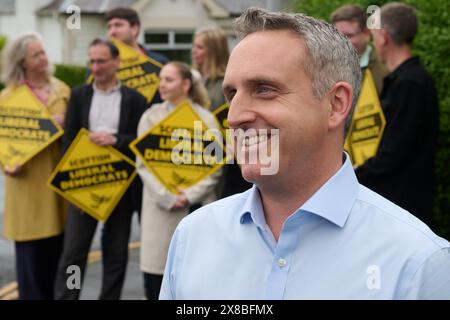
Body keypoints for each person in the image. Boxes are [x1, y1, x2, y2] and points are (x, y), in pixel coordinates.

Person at [159, 8, 450, 299]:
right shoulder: (192, 237)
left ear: (336, 104)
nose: (235, 116)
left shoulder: (417, 262)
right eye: (231, 94)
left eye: (263, 89)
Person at [53, 39, 148, 300]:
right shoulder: (79, 95)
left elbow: (142, 141)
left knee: (116, 254)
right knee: (73, 254)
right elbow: (69, 140)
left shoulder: (136, 99)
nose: (96, 67)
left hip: (121, 187)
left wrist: (116, 140)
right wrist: (74, 189)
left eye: (101, 61)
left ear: (117, 62)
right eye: (92, 61)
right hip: (83, 185)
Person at [136, 61, 221, 300]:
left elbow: (215, 167)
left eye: (169, 79)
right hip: (160, 209)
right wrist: (167, 196)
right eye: (161, 79)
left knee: (195, 281)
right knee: (157, 279)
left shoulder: (206, 119)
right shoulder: (150, 117)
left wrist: (189, 195)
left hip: (197, 207)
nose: (162, 84)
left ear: (186, 84)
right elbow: (143, 164)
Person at [355, 3, 439, 226]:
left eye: (373, 36)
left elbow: (393, 152)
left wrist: (354, 174)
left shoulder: (409, 84)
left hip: (402, 204)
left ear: (383, 37)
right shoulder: (408, 80)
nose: (374, 42)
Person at [0, 32, 69, 300]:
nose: (44, 58)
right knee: (30, 272)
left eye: (43, 52)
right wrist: (6, 164)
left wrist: (67, 125)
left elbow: (78, 134)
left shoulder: (62, 90)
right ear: (22, 62)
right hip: (25, 187)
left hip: (56, 188)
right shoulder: (8, 98)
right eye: (36, 55)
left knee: (57, 265)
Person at [105, 6, 168, 218]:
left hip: (153, 153)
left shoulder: (159, 64)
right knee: (115, 227)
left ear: (135, 29)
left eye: (118, 25)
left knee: (150, 220)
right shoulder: (101, 67)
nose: (112, 31)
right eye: (109, 26)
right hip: (115, 154)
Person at [192, 27, 252, 198]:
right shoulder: (198, 82)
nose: (194, 51)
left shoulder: (225, 85)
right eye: (194, 46)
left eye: (200, 47)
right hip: (199, 155)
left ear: (214, 51)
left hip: (227, 161)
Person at [331, 4, 388, 95]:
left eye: (348, 36)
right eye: (337, 36)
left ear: (366, 34)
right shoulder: (327, 67)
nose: (342, 42)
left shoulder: (384, 69)